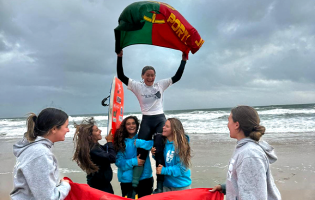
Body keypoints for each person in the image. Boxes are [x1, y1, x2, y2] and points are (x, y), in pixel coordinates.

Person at [117, 50, 188, 195]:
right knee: (141, 151)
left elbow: (177, 76)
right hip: (147, 119)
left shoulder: (160, 85)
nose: (150, 77)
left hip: (159, 118)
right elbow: (121, 76)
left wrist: (183, 60)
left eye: (152, 75)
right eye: (147, 75)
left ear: (155, 76)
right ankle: (135, 185)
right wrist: (120, 57)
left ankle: (160, 185)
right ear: (142, 76)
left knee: (159, 149)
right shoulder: (137, 86)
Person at [210, 106, 281, 200]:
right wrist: (226, 187)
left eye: (229, 121)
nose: (227, 125)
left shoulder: (250, 155)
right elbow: (248, 183)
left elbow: (253, 196)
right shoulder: (243, 149)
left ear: (236, 125)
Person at [10, 108, 71, 200]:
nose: (68, 130)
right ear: (54, 128)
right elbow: (48, 198)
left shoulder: (32, 148)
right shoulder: (40, 154)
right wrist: (65, 185)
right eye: (66, 126)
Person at [72, 117, 116, 193]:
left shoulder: (93, 146)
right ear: (90, 136)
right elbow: (112, 158)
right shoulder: (93, 149)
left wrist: (110, 142)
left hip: (101, 183)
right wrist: (109, 142)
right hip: (100, 186)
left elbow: (104, 149)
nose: (100, 131)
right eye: (96, 130)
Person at [114, 116, 154, 198]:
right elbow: (119, 162)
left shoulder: (142, 139)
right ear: (125, 127)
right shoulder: (121, 142)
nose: (131, 126)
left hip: (145, 178)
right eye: (128, 124)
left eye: (133, 123)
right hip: (127, 181)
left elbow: (154, 144)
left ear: (137, 125)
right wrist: (135, 161)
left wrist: (140, 143)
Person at [151, 118, 191, 192]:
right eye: (164, 125)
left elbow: (182, 169)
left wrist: (164, 170)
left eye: (167, 126)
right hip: (166, 185)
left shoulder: (181, 146)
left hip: (180, 186)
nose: (163, 127)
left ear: (174, 130)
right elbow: (164, 160)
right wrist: (154, 154)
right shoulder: (163, 143)